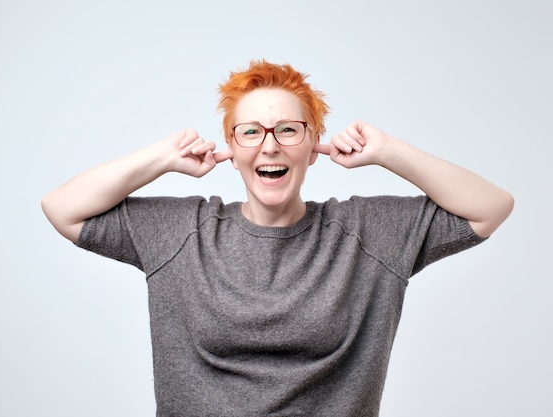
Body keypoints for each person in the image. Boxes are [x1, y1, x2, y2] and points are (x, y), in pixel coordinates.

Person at [41, 59, 514, 416]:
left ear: (313, 147)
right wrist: (162, 157)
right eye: (251, 132)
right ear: (232, 147)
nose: (270, 145)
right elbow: (62, 208)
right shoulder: (182, 232)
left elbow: (491, 207)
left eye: (288, 130)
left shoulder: (367, 233)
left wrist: (388, 151)